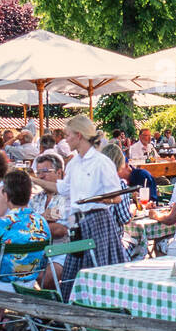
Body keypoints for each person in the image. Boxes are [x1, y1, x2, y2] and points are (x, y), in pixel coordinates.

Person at [29, 115, 127, 294]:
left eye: (68, 135)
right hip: (77, 222)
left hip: (97, 221)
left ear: (79, 136)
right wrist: (35, 180)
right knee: (74, 274)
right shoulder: (73, 163)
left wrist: (97, 199)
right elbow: (62, 188)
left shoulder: (101, 162)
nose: (65, 139)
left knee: (98, 273)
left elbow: (117, 197)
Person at [0, 168, 50, 299]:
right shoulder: (41, 222)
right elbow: (43, 259)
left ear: (5, 195)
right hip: (29, 284)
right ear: (30, 194)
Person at [28, 153, 70, 242]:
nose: (41, 176)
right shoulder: (36, 198)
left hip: (61, 252)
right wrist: (42, 217)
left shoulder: (67, 196)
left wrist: (32, 222)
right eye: (38, 172)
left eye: (45, 171)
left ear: (59, 173)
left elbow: (59, 230)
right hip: (37, 252)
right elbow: (23, 222)